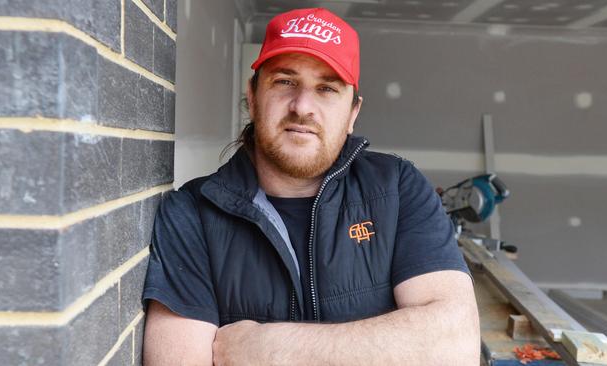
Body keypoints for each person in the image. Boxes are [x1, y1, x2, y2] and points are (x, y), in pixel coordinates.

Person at [142, 7, 479, 365]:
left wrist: (268, 349)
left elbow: (454, 349)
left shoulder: (397, 189)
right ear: (253, 98)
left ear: (352, 113)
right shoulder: (191, 212)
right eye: (285, 81)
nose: (303, 106)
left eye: (327, 88)